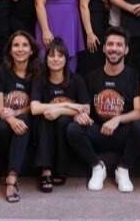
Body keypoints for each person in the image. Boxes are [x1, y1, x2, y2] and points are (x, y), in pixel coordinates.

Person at [66, 26, 140, 193]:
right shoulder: (91, 76)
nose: (114, 49)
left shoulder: (133, 76)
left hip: (122, 132)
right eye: (110, 44)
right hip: (98, 131)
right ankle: (97, 167)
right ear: (103, 48)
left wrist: (117, 119)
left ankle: (123, 169)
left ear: (126, 50)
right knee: (72, 128)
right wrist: (78, 116)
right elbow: (84, 108)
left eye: (119, 45)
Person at [31, 38, 90, 192]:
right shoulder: (40, 79)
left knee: (61, 119)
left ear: (66, 59)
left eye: (60, 56)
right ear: (46, 59)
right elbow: (34, 108)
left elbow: (86, 109)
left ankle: (61, 169)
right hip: (42, 128)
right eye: (51, 56)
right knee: (46, 116)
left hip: (65, 128)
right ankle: (46, 170)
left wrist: (60, 111)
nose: (55, 59)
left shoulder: (76, 80)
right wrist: (68, 105)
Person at [0, 31, 38, 203]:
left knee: (24, 122)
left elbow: (35, 105)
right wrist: (10, 119)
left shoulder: (38, 73)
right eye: (16, 45)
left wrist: (17, 114)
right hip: (4, 124)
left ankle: (11, 177)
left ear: (31, 50)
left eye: (25, 45)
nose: (20, 49)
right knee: (3, 127)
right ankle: (10, 167)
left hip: (29, 124)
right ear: (10, 50)